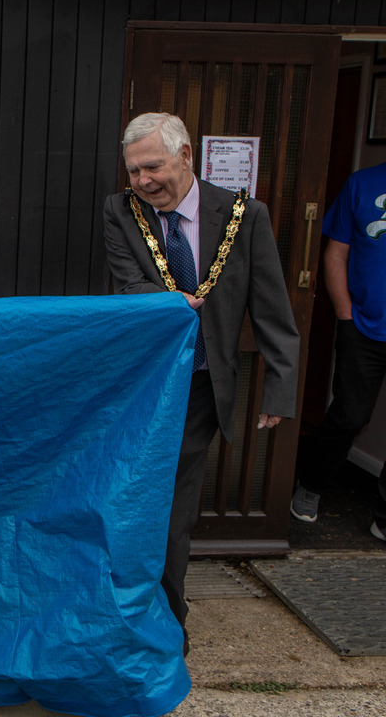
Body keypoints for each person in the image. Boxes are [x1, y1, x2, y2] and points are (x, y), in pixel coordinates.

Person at [102, 112, 299, 649]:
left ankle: (167, 623)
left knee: (171, 505)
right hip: (139, 386)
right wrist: (171, 302)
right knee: (129, 497)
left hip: (199, 388)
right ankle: (128, 608)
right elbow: (128, 283)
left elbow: (272, 309)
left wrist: (280, 388)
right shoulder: (120, 211)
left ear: (185, 155)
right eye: (134, 171)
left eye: (153, 167)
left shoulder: (244, 216)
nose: (143, 181)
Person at [291, 160, 386, 542]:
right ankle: (311, 484)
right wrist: (346, 315)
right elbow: (335, 254)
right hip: (363, 325)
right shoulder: (362, 184)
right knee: (349, 415)